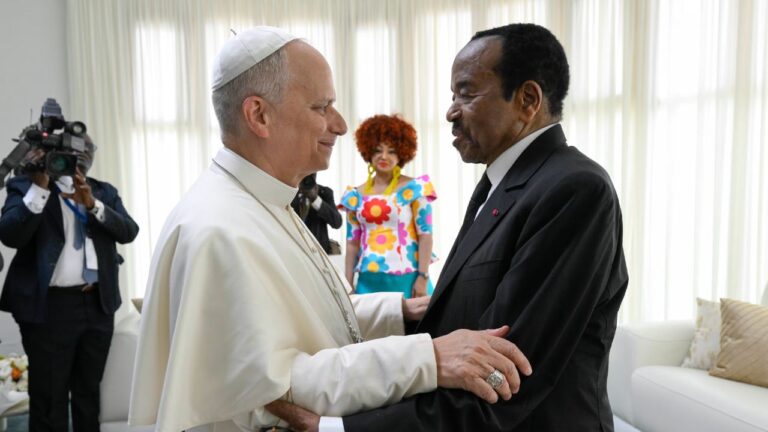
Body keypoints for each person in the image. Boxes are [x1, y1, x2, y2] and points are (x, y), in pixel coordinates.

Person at [128, 26, 531, 432]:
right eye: (322, 107)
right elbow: (280, 389)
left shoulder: (263, 200)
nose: (339, 125)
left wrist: (399, 312)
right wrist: (431, 358)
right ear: (259, 115)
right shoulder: (218, 229)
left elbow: (308, 312)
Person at [272, 23, 629, 432]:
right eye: (451, 95)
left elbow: (503, 377)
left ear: (527, 99)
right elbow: (461, 326)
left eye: (466, 93)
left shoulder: (574, 190)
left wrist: (335, 428)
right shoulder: (499, 185)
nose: (450, 111)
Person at [0, 135, 139, 432]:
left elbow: (128, 231)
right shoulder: (25, 187)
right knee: (50, 397)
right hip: (49, 308)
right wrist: (39, 188)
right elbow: (11, 235)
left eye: (83, 153)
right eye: (64, 155)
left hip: (98, 304)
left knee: (89, 394)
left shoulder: (102, 191)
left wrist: (93, 205)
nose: (76, 160)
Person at [339, 114, 436, 298]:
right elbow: (352, 243)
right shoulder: (354, 196)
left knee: (416, 327)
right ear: (368, 151)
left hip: (408, 278)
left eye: (391, 151)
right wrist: (348, 284)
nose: (384, 156)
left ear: (402, 153)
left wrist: (422, 277)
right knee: (372, 327)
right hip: (368, 281)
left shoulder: (416, 189)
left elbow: (426, 236)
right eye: (377, 150)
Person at [291, 173, 342, 254]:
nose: (308, 178)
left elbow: (337, 223)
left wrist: (315, 199)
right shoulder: (291, 192)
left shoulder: (324, 192)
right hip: (296, 249)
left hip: (320, 251)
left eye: (312, 174)